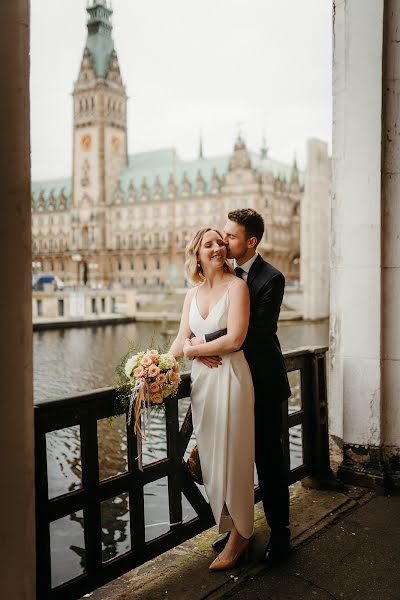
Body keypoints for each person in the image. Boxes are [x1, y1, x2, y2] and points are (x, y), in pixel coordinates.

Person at [194, 209, 292, 567]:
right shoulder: (224, 275)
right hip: (230, 384)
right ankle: (238, 529)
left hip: (263, 384)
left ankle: (281, 534)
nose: (223, 242)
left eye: (230, 237)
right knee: (234, 459)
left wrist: (205, 345)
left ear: (251, 242)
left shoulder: (271, 278)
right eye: (221, 236)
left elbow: (254, 333)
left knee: (268, 462)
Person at [169, 228, 255, 571]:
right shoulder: (191, 295)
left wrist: (195, 348)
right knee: (213, 458)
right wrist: (155, 367)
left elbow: (235, 339)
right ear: (198, 255)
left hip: (232, 378)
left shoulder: (238, 287)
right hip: (204, 384)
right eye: (210, 244)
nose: (218, 247)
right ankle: (229, 523)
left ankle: (242, 536)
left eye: (221, 242)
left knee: (234, 455)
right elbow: (180, 339)